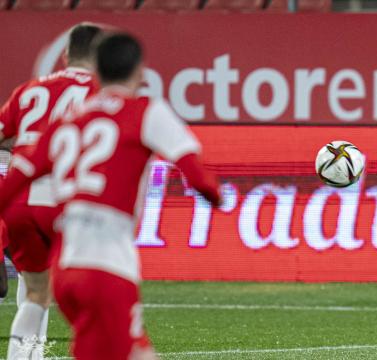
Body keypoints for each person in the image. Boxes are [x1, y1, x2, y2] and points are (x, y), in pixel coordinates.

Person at [0, 32, 222, 359]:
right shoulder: (143, 109)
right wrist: (218, 196)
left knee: (42, 301)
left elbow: (20, 170)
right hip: (106, 264)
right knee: (134, 351)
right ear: (141, 73)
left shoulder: (64, 116)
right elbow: (198, 175)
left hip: (64, 263)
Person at [0, 23, 103, 359]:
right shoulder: (102, 91)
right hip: (63, 202)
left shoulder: (29, 90)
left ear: (65, 54)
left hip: (19, 202)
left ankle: (27, 355)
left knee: (34, 291)